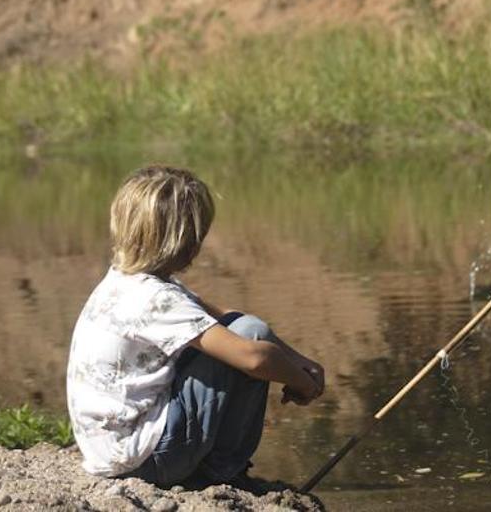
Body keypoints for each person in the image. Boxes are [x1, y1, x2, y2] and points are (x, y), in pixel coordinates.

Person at [66, 164, 325, 488]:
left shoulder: (125, 281)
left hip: (112, 452)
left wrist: (298, 359)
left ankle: (210, 467)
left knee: (246, 329)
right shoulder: (154, 298)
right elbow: (255, 357)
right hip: (146, 461)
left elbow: (225, 316)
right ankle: (222, 472)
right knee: (251, 343)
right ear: (185, 243)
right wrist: (301, 380)